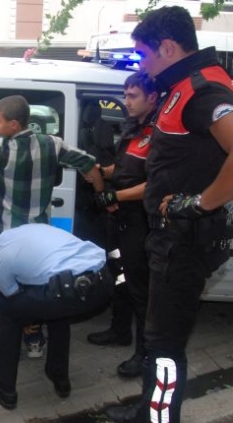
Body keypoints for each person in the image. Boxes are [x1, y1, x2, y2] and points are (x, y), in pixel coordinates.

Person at [105, 6, 233, 423]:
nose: (142, 65)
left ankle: (158, 418)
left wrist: (201, 203)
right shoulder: (183, 85)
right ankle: (150, 411)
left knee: (163, 345)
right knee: (159, 336)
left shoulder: (202, 89)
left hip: (184, 240)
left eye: (143, 54)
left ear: (167, 47)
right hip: (170, 237)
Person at [0, 95, 104, 358]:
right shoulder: (53, 144)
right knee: (36, 290)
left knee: (7, 293)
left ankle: (8, 341)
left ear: (14, 124)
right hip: (40, 238)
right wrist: (102, 195)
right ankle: (34, 340)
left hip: (9, 237)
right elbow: (88, 163)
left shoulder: (1, 147)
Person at [0, 225, 113, 409]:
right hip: (102, 280)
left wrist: (27, 321)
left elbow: (13, 301)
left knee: (8, 314)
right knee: (57, 311)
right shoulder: (20, 232)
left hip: (71, 289)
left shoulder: (0, 263)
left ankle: (4, 389)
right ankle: (59, 376)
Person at [87, 72, 158, 380]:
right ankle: (119, 330)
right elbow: (125, 168)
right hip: (121, 219)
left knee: (141, 290)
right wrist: (102, 170)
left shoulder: (159, 134)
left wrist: (114, 195)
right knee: (119, 276)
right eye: (125, 95)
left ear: (152, 98)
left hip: (141, 221)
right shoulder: (133, 129)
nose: (126, 101)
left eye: (133, 96)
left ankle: (144, 354)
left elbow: (156, 184)